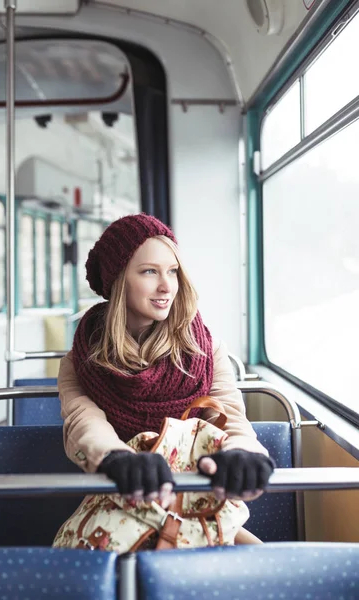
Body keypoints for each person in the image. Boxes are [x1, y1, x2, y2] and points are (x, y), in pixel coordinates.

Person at [57, 213, 275, 545]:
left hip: (196, 504)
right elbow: (83, 423)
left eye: (172, 272)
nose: (166, 286)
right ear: (118, 280)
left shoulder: (206, 348)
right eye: (149, 272)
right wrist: (118, 459)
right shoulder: (80, 360)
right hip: (124, 505)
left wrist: (243, 450)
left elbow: (232, 417)